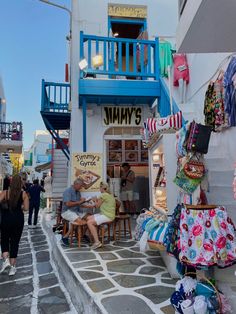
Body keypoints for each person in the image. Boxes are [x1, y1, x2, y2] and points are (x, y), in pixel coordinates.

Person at [0, 175, 29, 276]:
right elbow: (26, 208)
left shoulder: (5, 193)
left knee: (4, 240)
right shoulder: (24, 194)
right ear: (20, 183)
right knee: (14, 242)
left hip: (6, 219)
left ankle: (6, 260)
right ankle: (12, 268)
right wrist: (19, 206)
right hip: (18, 220)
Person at [61, 178, 92, 246]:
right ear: (76, 184)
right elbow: (68, 204)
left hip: (76, 211)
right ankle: (65, 237)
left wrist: (85, 201)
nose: (81, 188)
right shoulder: (67, 191)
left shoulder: (78, 192)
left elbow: (79, 203)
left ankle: (81, 236)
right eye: (80, 186)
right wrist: (80, 202)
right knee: (80, 221)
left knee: (90, 217)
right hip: (67, 211)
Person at [87, 182, 116, 250]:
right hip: (106, 213)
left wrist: (94, 200)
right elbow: (101, 202)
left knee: (89, 222)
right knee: (88, 218)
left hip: (107, 215)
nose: (99, 189)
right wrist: (96, 200)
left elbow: (97, 206)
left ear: (102, 188)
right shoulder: (109, 194)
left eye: (100, 187)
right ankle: (96, 235)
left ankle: (97, 242)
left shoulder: (103, 195)